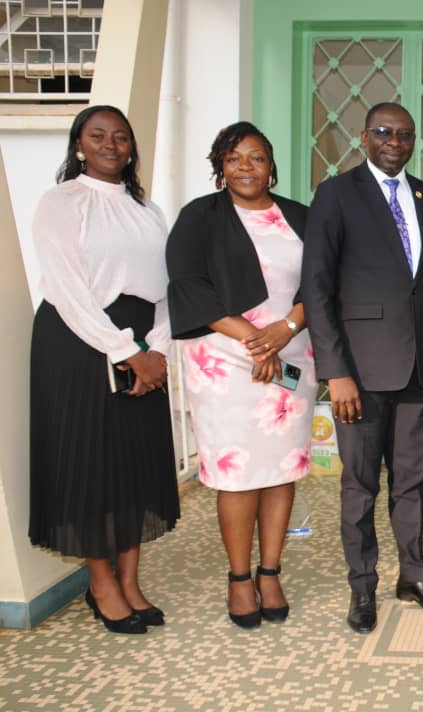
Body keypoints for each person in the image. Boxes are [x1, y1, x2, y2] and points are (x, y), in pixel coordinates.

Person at [301, 102, 423, 635]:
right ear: (364, 137)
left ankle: (413, 574)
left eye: (406, 134)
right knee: (361, 485)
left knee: (411, 482)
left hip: (419, 372)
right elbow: (317, 290)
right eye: (385, 132)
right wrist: (335, 371)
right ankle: (362, 586)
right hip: (360, 375)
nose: (395, 141)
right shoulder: (335, 195)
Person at [29, 105, 178, 634]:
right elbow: (68, 290)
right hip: (79, 344)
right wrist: (125, 351)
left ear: (132, 147)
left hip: (142, 343)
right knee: (90, 465)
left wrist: (157, 348)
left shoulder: (148, 208)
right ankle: (102, 584)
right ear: (79, 145)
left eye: (120, 136)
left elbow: (167, 288)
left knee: (135, 466)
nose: (111, 144)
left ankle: (132, 581)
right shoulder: (61, 203)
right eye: (98, 136)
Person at [166, 121, 314, 629]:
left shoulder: (298, 216)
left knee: (280, 468)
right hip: (223, 358)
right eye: (234, 159)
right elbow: (187, 285)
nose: (246, 167)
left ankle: (270, 571)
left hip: (292, 351)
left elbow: (324, 281)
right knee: (238, 473)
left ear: (272, 165)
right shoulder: (198, 217)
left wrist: (284, 330)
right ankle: (238, 578)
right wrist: (255, 340)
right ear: (220, 167)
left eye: (256, 157)